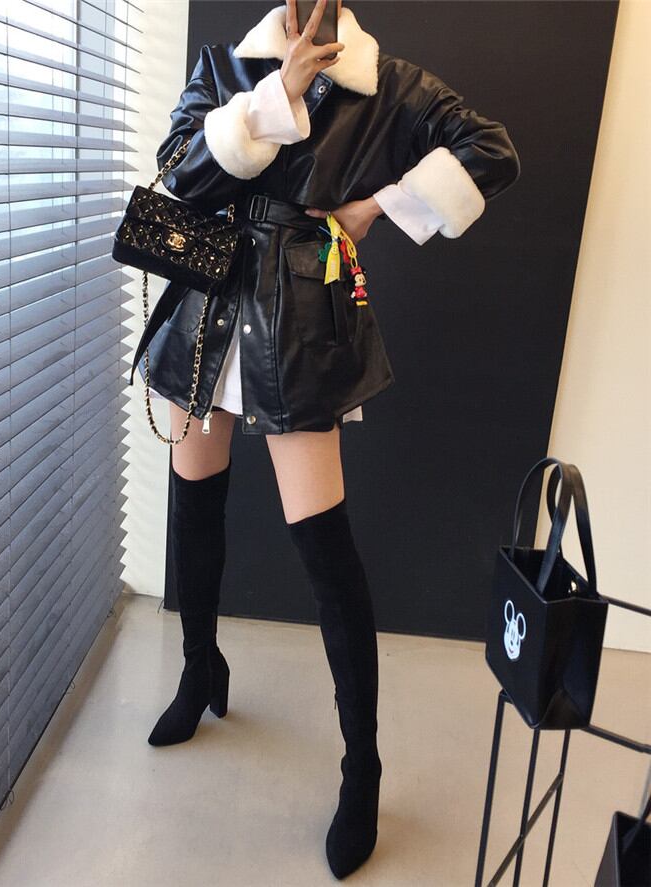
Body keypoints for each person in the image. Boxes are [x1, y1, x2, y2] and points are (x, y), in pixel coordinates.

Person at [130, 0, 521, 879]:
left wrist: (380, 204)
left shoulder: (389, 86)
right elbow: (183, 174)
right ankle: (200, 669)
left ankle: (362, 767)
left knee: (324, 548)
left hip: (298, 323)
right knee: (193, 503)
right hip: (205, 306)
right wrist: (274, 96)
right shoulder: (225, 66)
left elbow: (493, 150)